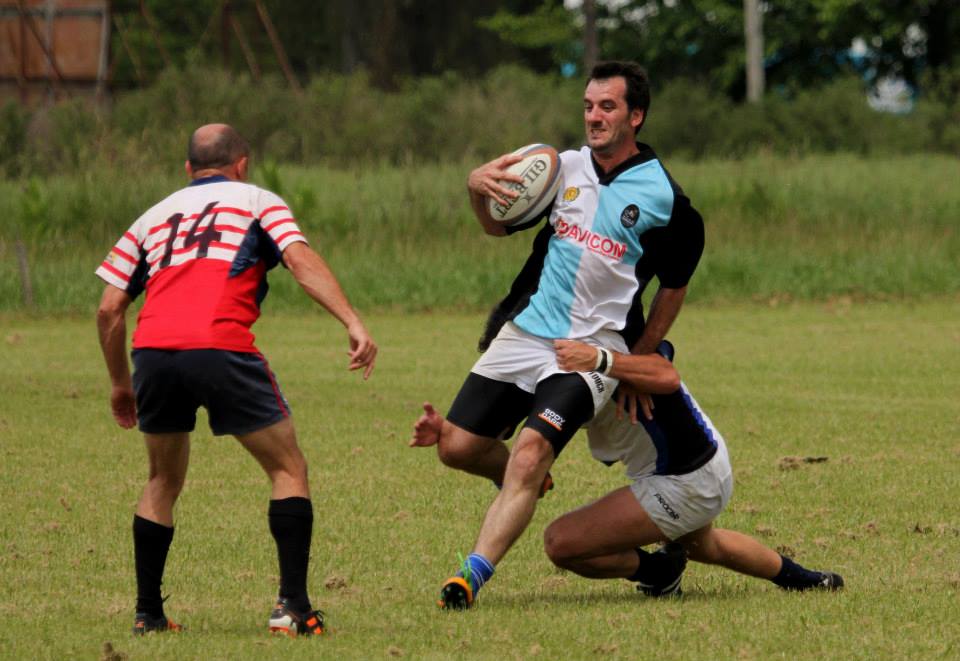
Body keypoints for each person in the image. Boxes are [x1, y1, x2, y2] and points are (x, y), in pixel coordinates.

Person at [415, 61, 705, 609]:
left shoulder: (665, 196)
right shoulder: (557, 168)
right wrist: (476, 188)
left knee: (527, 455)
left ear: (636, 116)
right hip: (526, 333)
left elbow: (675, 285)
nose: (594, 117)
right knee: (455, 448)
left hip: (592, 350)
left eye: (608, 107)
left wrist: (636, 361)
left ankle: (470, 576)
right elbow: (496, 225)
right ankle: (648, 563)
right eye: (589, 106)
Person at [95, 124, 377, 636]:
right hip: (219, 344)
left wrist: (120, 383)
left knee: (162, 480)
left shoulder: (152, 216)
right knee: (288, 468)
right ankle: (292, 607)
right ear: (241, 163)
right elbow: (298, 259)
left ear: (188, 170)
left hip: (153, 352)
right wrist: (352, 320)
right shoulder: (257, 199)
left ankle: (147, 615)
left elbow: (110, 309)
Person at [412, 339, 844, 604]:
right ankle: (805, 580)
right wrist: (455, 435)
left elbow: (664, 367)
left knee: (561, 543)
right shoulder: (563, 364)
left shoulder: (583, 363)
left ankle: (657, 573)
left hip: (685, 480)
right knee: (703, 545)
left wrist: (608, 362)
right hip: (707, 465)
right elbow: (501, 443)